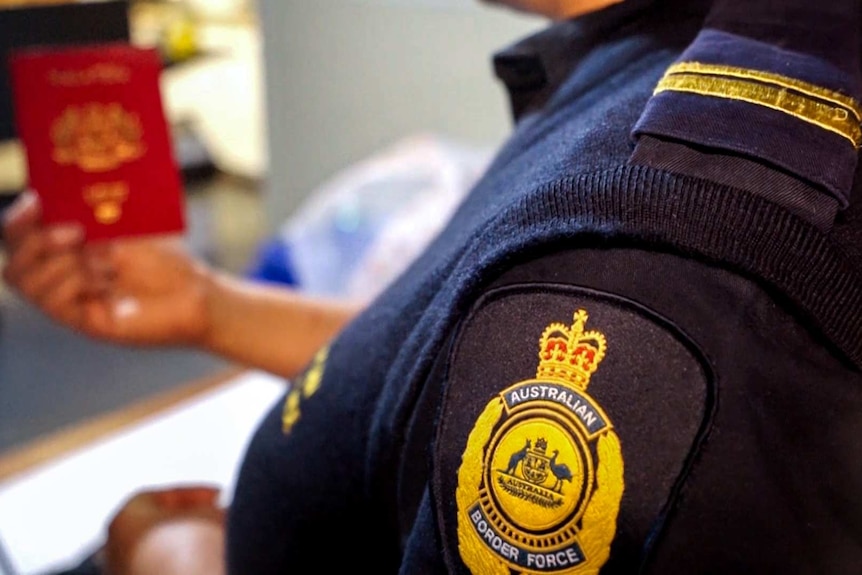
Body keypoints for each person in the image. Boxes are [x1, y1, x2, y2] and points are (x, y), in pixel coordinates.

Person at [4, 0, 862, 572]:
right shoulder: (677, 51)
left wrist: (176, 554)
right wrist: (214, 308)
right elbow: (449, 360)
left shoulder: (656, 263)